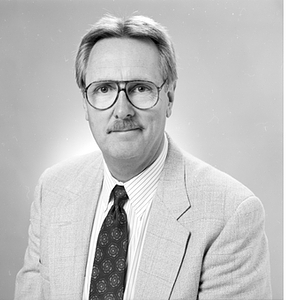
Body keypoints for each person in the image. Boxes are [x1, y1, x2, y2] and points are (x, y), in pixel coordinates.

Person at [14, 15, 272, 300]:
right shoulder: (53, 191)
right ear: (85, 104)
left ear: (169, 98)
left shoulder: (230, 214)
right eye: (103, 89)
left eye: (140, 88)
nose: (122, 110)